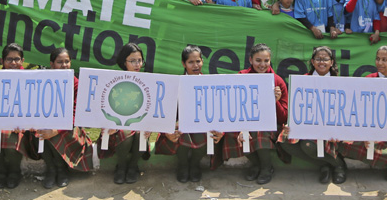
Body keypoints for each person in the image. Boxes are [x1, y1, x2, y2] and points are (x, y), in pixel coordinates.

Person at [340, 45, 387, 184]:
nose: (380, 63)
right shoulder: (368, 80)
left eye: (384, 59)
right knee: (346, 144)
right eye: (377, 59)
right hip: (372, 132)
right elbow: (359, 109)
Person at [279, 46, 347, 184]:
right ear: (312, 61)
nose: (321, 62)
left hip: (330, 127)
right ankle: (324, 164)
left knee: (308, 146)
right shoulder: (303, 80)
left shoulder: (340, 82)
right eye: (318, 59)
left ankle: (338, 165)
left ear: (332, 62)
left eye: (325, 59)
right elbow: (295, 105)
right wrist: (290, 123)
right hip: (307, 125)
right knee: (285, 142)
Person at [156, 46, 224, 182]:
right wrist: (173, 124)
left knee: (209, 132)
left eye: (198, 61)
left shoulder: (210, 84)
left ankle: (194, 164)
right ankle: (182, 165)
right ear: (183, 63)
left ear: (202, 62)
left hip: (203, 124)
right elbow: (168, 110)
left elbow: (218, 109)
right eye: (191, 62)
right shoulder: (176, 83)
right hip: (180, 124)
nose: (195, 65)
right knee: (178, 130)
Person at [227, 44, 288, 184]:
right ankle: (257, 164)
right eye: (258, 60)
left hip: (270, 126)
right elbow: (233, 106)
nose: (262, 64)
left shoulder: (277, 81)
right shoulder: (241, 77)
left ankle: (266, 168)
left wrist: (276, 102)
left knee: (260, 133)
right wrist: (241, 128)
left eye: (266, 61)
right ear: (250, 60)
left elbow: (284, 116)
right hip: (245, 122)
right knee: (234, 134)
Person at [0, 44, 37, 189]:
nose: (13, 63)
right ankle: (0, 171)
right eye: (9, 59)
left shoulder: (31, 79)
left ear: (23, 60)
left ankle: (14, 171)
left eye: (17, 59)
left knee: (12, 140)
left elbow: (35, 108)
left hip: (21, 127)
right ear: (2, 61)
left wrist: (24, 124)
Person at [34, 48, 93, 189]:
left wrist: (56, 129)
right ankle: (51, 169)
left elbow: (75, 113)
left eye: (67, 61)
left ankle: (61, 169)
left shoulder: (76, 83)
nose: (64, 65)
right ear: (52, 64)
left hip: (68, 126)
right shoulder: (41, 81)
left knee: (54, 134)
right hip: (45, 122)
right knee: (38, 133)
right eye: (60, 62)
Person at [102, 44, 149, 184]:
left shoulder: (148, 81)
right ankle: (121, 167)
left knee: (141, 134)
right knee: (125, 134)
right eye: (132, 61)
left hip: (141, 124)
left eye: (139, 60)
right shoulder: (113, 81)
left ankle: (133, 166)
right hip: (117, 125)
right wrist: (109, 125)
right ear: (124, 62)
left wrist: (151, 126)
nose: (137, 64)